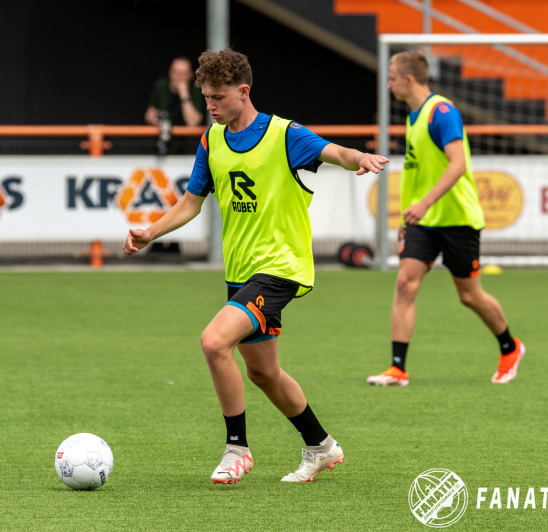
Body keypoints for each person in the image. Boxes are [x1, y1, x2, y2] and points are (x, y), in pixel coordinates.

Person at [123, 48, 388, 484]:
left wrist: (358, 158)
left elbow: (332, 152)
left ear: (243, 92)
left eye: (218, 97)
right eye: (205, 96)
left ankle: (236, 450)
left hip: (282, 268)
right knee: (263, 372)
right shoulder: (211, 139)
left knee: (213, 343)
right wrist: (151, 232)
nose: (209, 104)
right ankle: (321, 447)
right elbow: (192, 201)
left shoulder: (284, 135)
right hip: (241, 271)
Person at [366, 50, 525, 388]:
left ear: (409, 79)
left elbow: (457, 164)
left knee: (469, 295)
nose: (389, 84)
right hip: (422, 220)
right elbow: (420, 172)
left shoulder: (442, 112)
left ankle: (510, 348)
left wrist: (423, 203)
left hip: (457, 218)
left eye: (393, 77)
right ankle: (398, 368)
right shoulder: (413, 117)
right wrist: (411, 213)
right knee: (405, 284)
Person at [145, 56, 206, 154]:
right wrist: (157, 118)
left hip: (184, 149)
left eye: (183, 74)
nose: (178, 77)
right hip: (160, 146)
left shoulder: (195, 90)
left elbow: (193, 122)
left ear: (190, 75)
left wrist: (184, 94)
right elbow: (149, 114)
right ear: (169, 72)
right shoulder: (161, 85)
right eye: (175, 72)